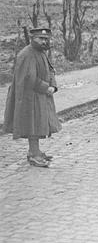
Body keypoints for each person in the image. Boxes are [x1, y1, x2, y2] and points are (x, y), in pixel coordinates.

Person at [3, 27, 60, 167]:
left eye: (46, 39)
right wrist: (47, 88)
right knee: (33, 124)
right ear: (32, 39)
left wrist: (53, 85)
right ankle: (34, 155)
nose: (44, 41)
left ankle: (35, 151)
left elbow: (51, 70)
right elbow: (28, 78)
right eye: (40, 38)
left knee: (39, 123)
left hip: (40, 95)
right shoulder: (27, 54)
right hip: (29, 97)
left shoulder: (41, 53)